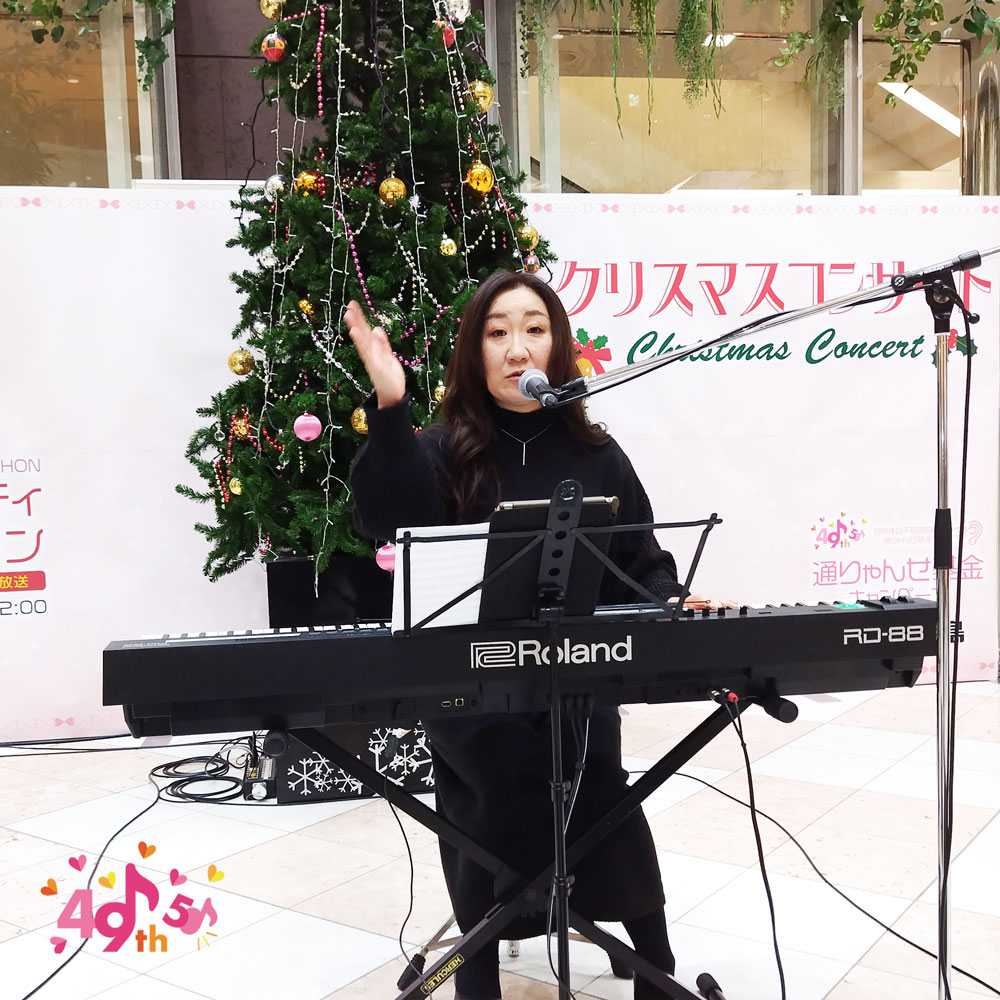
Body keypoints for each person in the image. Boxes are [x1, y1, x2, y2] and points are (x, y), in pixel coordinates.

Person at [347, 269, 726, 1000]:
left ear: (558, 346)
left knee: (601, 786)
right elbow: (382, 517)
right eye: (497, 333)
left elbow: (640, 560)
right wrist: (391, 408)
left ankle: (655, 962)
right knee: (490, 786)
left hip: (576, 684)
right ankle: (478, 969)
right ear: (474, 350)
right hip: (471, 695)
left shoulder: (597, 454)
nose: (517, 349)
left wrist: (675, 598)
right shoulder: (441, 449)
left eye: (534, 329)